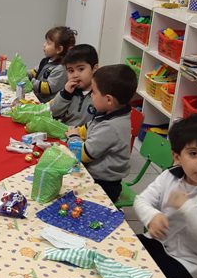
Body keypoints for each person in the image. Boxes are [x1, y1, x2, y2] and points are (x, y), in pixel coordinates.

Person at [135, 116, 197, 278]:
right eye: (193, 153)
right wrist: (152, 216)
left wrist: (187, 207)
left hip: (189, 262)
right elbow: (141, 200)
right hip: (156, 242)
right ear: (177, 157)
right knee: (117, 254)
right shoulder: (170, 176)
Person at [66, 64, 137, 203]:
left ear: (109, 100)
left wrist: (73, 137)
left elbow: (84, 154)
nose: (91, 95)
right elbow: (88, 128)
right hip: (95, 175)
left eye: (94, 92)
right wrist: (76, 131)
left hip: (104, 185)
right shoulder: (109, 112)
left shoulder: (111, 127)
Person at [50, 44, 98, 126]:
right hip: (64, 131)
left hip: (86, 133)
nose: (75, 75)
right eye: (71, 71)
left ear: (94, 69)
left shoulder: (99, 95)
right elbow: (53, 113)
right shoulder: (68, 91)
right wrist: (65, 95)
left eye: (81, 69)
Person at [28, 26, 76, 103]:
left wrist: (30, 81)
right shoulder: (46, 60)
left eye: (48, 43)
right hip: (36, 97)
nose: (44, 45)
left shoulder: (61, 68)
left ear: (59, 49)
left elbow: (48, 87)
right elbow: (35, 72)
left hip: (46, 103)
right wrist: (25, 74)